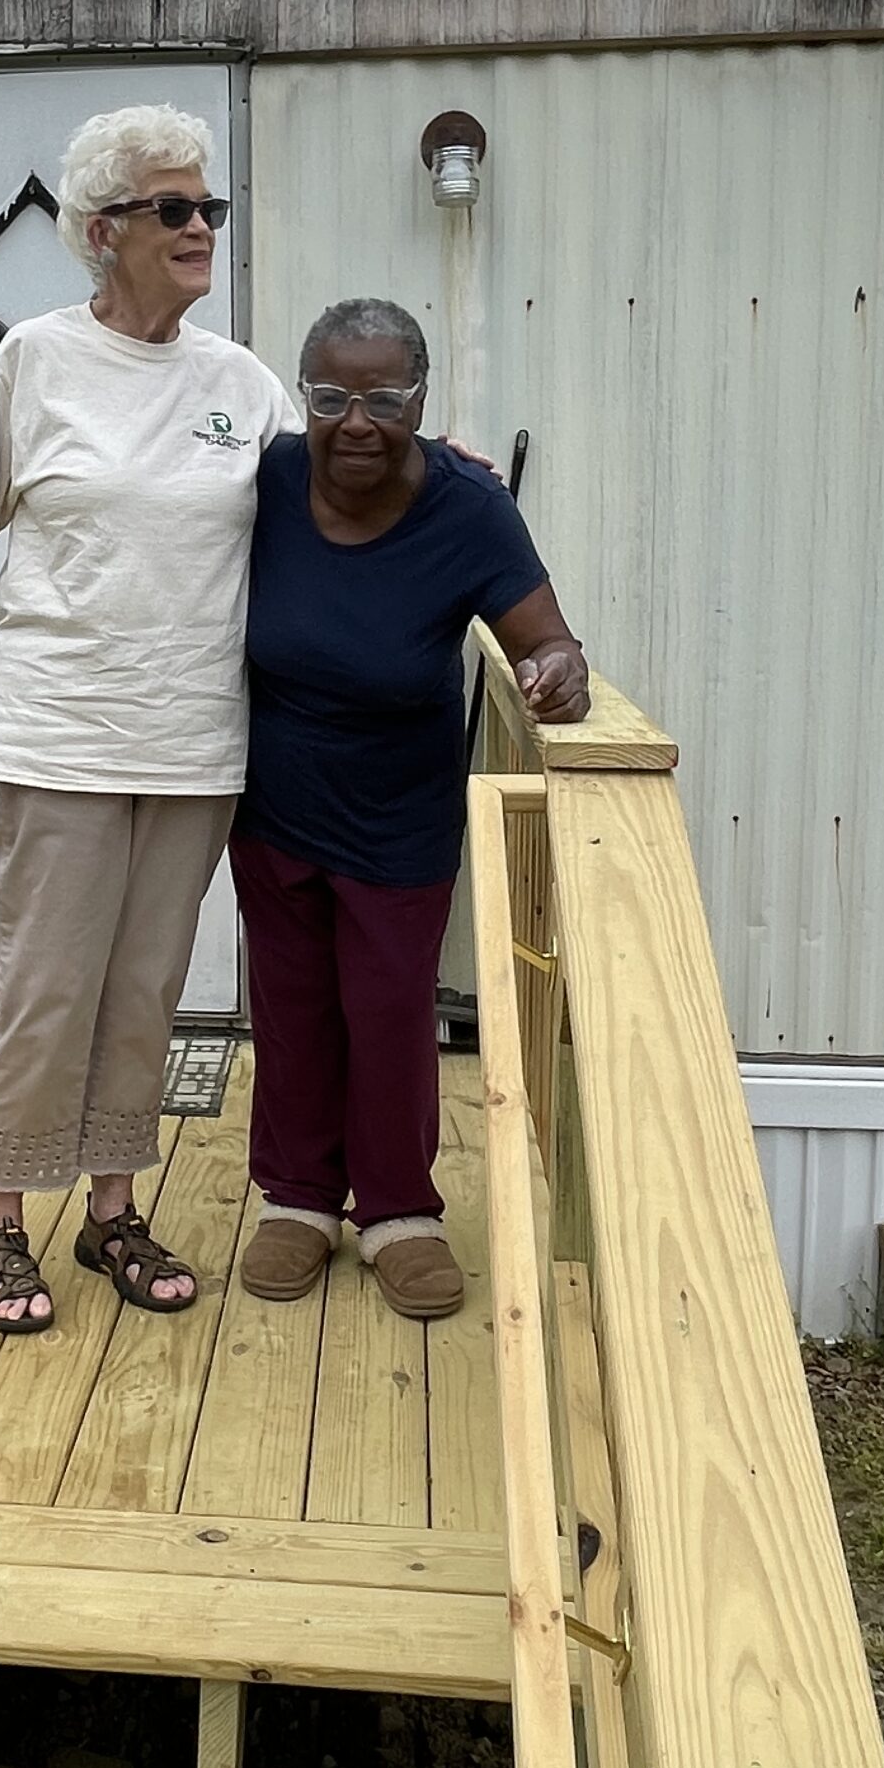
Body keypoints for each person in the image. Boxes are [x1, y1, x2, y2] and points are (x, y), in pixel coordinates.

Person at [0, 103, 299, 1334]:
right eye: (176, 207)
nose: (202, 225)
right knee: (49, 987)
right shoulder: (36, 360)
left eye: (209, 205)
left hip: (198, 743)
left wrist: (441, 471)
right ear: (103, 231)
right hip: (61, 734)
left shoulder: (241, 381)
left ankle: (112, 1208)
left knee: (146, 988)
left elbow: (330, 500)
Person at [231, 298, 589, 1322]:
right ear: (303, 398)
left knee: (387, 1012)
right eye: (332, 395)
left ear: (422, 401)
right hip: (274, 798)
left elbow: (548, 640)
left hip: (399, 813)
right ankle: (298, 1199)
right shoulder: (266, 481)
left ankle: (397, 1212)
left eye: (384, 398)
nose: (356, 419)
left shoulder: (470, 509)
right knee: (294, 1008)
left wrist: (558, 672)